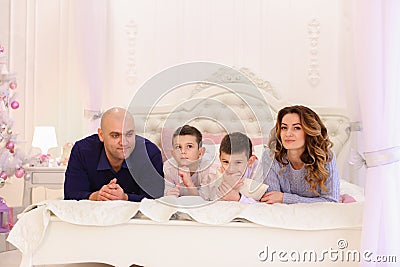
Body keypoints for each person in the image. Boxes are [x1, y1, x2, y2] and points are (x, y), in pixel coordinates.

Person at [64, 107, 164, 202]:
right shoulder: (82, 150)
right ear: (101, 135)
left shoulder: (150, 153)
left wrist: (125, 197)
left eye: (129, 134)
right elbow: (70, 194)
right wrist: (96, 196)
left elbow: (155, 199)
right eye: (115, 135)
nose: (123, 142)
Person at [260, 105, 340, 204]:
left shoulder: (326, 158)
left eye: (297, 128)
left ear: (309, 131)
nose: (288, 133)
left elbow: (331, 201)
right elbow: (272, 199)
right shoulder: (270, 156)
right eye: (284, 127)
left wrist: (285, 198)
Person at [164, 125, 218, 198]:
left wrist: (189, 183)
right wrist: (169, 195)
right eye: (178, 147)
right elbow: (167, 194)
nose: (182, 151)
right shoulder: (168, 167)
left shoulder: (209, 169)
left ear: (200, 153)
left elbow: (206, 199)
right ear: (173, 154)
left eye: (189, 146)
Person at [210, 132, 260, 202]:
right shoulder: (215, 167)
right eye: (226, 162)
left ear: (250, 162)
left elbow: (262, 202)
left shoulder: (258, 169)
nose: (231, 169)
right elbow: (208, 196)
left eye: (238, 162)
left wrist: (238, 198)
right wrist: (227, 184)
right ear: (220, 158)